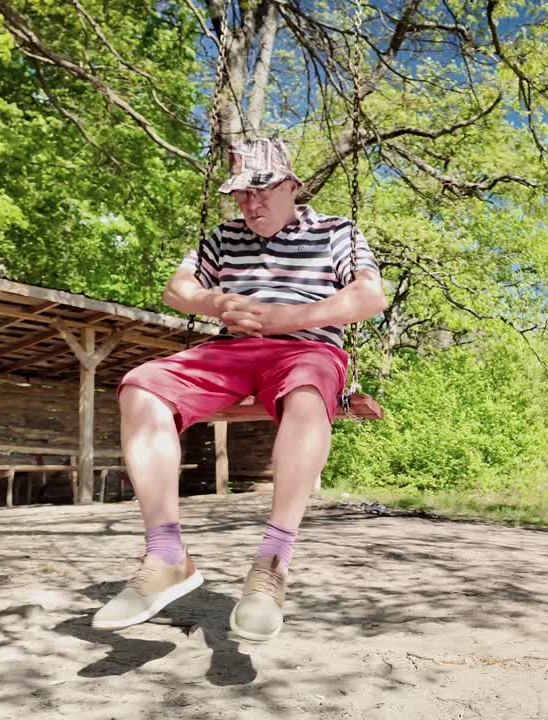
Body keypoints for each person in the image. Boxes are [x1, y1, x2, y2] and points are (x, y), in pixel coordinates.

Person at [92, 138, 386, 641]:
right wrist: (215, 302)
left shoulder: (336, 230)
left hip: (307, 350)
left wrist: (289, 317)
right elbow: (176, 289)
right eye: (242, 195)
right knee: (140, 385)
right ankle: (166, 555)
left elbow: (368, 295)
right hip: (230, 352)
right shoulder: (224, 235)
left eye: (263, 191)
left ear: (292, 184)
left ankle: (273, 562)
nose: (252, 205)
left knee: (308, 390)